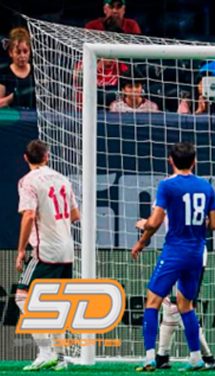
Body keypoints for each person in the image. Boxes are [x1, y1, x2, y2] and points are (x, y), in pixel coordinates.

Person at [131, 142, 215, 371]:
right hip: (197, 252)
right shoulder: (206, 187)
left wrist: (144, 224)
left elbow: (156, 221)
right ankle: (196, 358)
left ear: (171, 160)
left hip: (175, 250)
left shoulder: (167, 186)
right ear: (194, 161)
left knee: (152, 301)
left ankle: (150, 357)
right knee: (185, 305)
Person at [14, 140, 80, 371]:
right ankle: (60, 358)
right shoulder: (63, 178)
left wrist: (22, 249)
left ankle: (45, 352)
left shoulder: (28, 181)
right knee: (57, 302)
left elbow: (29, 215)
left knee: (22, 296)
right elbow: (75, 215)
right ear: (47, 156)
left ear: (26, 158)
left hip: (45, 250)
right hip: (67, 249)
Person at [134, 217, 215, 370]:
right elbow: (211, 224)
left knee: (176, 306)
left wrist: (145, 229)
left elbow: (155, 221)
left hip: (177, 253)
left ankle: (206, 357)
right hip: (196, 253)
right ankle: (163, 356)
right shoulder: (204, 193)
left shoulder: (169, 192)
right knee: (172, 306)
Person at [0, 27, 36, 109]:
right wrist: (13, 98)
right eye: (18, 52)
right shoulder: (4, 73)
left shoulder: (36, 72)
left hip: (33, 119)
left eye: (25, 51)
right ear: (10, 53)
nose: (22, 56)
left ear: (30, 51)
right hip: (12, 119)